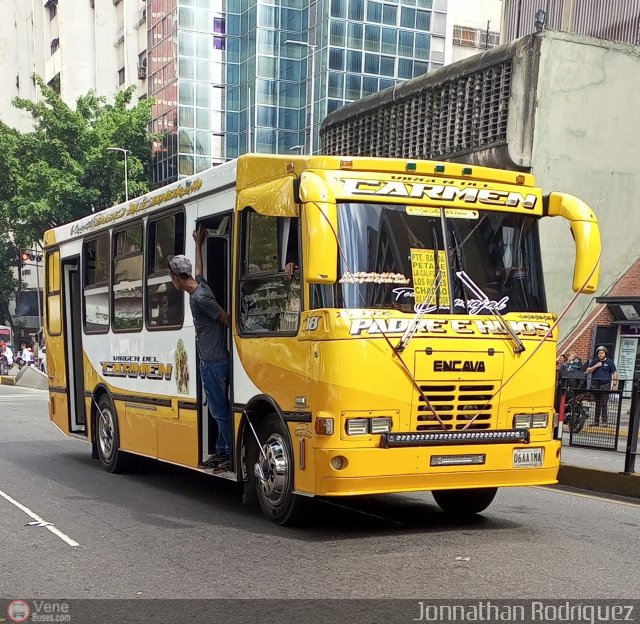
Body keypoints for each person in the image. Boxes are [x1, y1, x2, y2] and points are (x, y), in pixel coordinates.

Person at [169, 226, 231, 471]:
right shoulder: (199, 285)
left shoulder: (200, 298)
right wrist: (197, 242)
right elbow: (199, 269)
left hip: (214, 362)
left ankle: (228, 454)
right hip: (212, 360)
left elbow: (225, 318)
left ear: (176, 278)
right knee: (218, 409)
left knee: (220, 411)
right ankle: (221, 449)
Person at [585, 346, 618, 427]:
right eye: (599, 353)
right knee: (597, 403)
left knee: (604, 403)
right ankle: (596, 421)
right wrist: (596, 366)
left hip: (605, 385)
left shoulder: (609, 362)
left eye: (602, 353)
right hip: (596, 384)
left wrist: (614, 384)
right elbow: (587, 371)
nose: (600, 355)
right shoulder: (595, 361)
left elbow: (615, 373)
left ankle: (604, 421)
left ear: (605, 353)